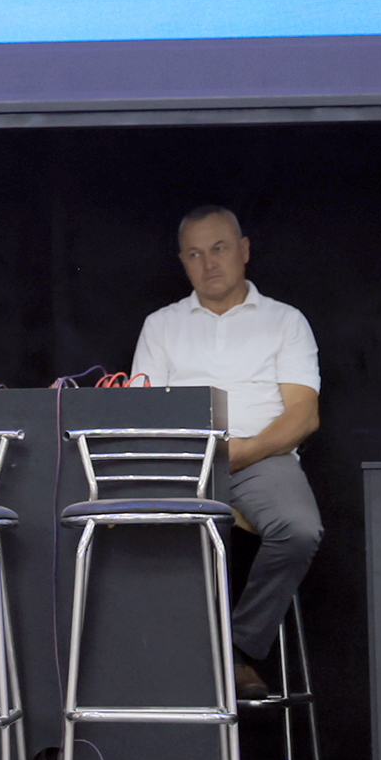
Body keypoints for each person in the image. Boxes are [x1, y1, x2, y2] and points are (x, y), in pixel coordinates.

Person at [130, 205, 323, 701]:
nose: (208, 262)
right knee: (133, 534)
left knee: (299, 530)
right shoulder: (161, 325)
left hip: (263, 458)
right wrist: (195, 455)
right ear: (182, 262)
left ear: (244, 250)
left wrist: (242, 452)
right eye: (194, 254)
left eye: (218, 248)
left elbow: (304, 416)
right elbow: (143, 414)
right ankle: (154, 664)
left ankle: (232, 649)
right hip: (183, 461)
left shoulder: (285, 321)